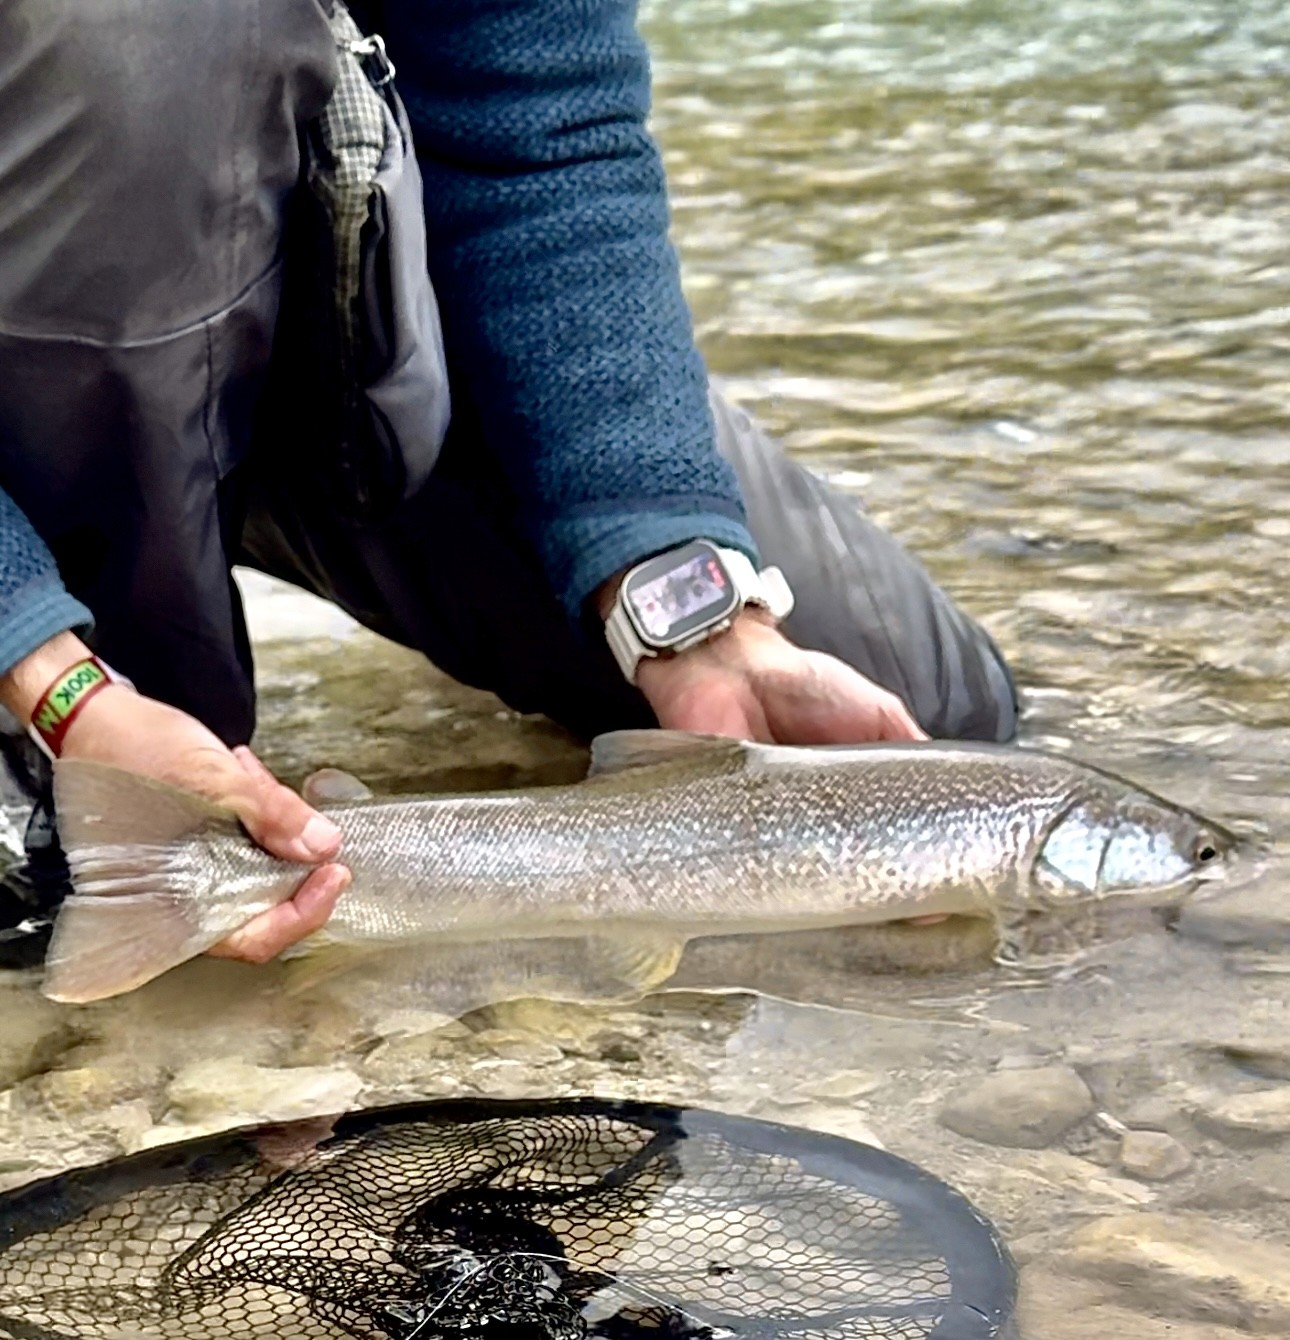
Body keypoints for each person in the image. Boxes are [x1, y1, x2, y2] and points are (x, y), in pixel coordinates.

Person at [0, 0, 1017, 970]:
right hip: (48, 331)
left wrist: (687, 608)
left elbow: (539, 134)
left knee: (919, 735)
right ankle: (83, 744)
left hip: (345, 333)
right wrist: (51, 674)